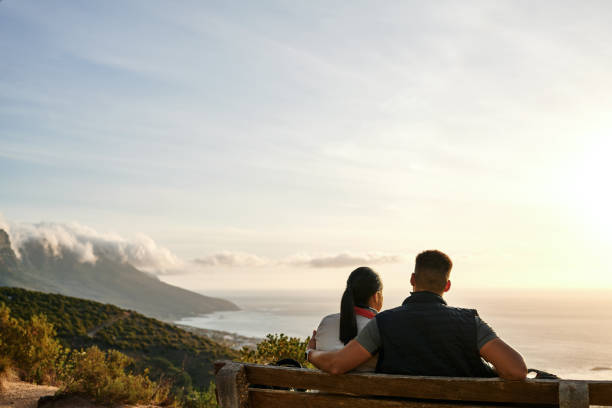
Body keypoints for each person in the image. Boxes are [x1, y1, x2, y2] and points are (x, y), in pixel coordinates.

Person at [306, 250, 527, 380]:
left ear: (412, 279)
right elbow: (516, 370)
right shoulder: (470, 323)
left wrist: (311, 353)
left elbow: (337, 365)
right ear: (447, 285)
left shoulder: (384, 323)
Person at [314, 266, 383, 372]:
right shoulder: (380, 328)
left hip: (325, 388)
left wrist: (309, 352)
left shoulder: (326, 322)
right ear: (376, 296)